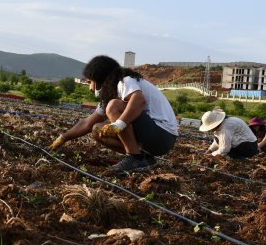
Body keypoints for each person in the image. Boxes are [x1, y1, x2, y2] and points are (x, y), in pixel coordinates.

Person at [48, 55, 179, 173]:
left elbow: (139, 100)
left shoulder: (126, 81)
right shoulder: (111, 94)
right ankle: (145, 159)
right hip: (153, 137)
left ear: (99, 78)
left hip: (162, 135)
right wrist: (63, 138)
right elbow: (87, 123)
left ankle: (135, 158)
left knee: (113, 106)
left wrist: (119, 124)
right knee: (97, 129)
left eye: (90, 82)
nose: (90, 88)